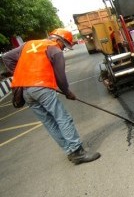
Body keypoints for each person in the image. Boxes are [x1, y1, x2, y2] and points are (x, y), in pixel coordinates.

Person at [3, 28, 101, 165]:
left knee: (49, 122)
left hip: (26, 91)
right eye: (64, 45)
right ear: (59, 40)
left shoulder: (28, 44)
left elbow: (6, 58)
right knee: (63, 118)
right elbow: (61, 78)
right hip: (41, 89)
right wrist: (67, 92)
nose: (63, 48)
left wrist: (24, 73)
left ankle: (70, 151)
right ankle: (78, 152)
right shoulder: (55, 49)